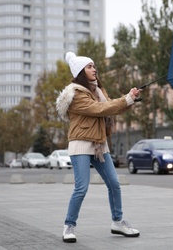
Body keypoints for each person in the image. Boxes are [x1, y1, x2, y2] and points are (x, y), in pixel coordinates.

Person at [56, 52, 141, 243]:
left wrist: (131, 98)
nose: (94, 69)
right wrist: (126, 99)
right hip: (81, 143)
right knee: (81, 188)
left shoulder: (97, 91)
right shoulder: (76, 94)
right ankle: (69, 226)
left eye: (94, 66)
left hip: (99, 144)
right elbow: (100, 110)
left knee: (114, 184)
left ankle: (117, 222)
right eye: (89, 67)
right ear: (80, 72)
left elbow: (111, 106)